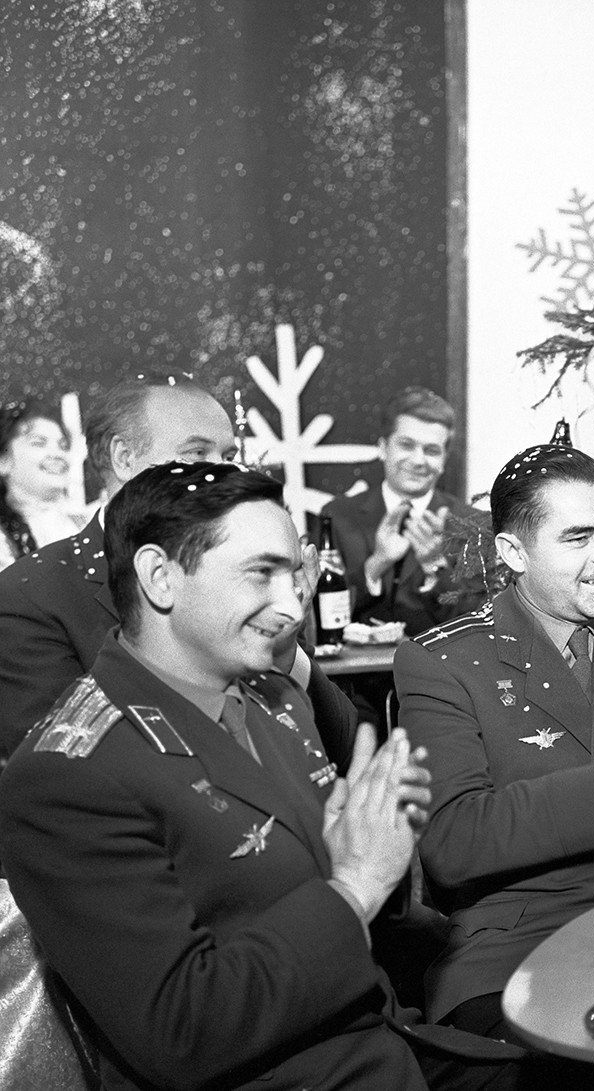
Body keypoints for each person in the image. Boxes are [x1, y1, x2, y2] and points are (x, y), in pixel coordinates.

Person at [0, 460, 434, 1091]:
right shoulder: (67, 777)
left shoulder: (269, 699)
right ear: (160, 578)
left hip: (388, 1042)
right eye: (262, 573)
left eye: (294, 575)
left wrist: (373, 848)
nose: (291, 606)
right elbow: (181, 1031)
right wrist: (354, 885)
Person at [394, 442, 594, 1080]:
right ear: (514, 553)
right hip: (517, 943)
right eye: (577, 537)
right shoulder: (446, 662)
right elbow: (454, 845)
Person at [0, 373, 355, 766]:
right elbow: (65, 775)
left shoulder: (245, 578)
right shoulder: (30, 599)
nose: (221, 473)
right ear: (123, 457)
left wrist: (284, 651)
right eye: (196, 454)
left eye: (228, 457)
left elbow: (341, 746)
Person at [322, 387, 483, 637]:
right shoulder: (337, 516)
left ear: (443, 461)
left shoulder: (474, 524)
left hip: (439, 673)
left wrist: (435, 568)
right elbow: (316, 614)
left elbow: (480, 625)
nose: (418, 461)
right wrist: (376, 564)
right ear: (383, 448)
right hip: (351, 675)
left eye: (431, 450)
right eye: (406, 445)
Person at [0, 399, 87, 571]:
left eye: (63, 446)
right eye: (39, 443)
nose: (57, 454)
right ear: (3, 461)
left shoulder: (87, 522)